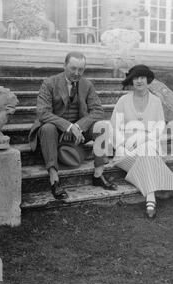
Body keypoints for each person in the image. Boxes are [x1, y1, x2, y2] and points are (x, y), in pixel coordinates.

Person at [110, 64, 173, 219]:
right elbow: (114, 127)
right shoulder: (123, 101)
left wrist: (145, 138)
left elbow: (160, 126)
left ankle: (150, 197)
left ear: (148, 80)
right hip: (126, 149)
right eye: (135, 78)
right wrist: (126, 142)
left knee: (147, 151)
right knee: (147, 155)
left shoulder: (155, 101)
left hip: (149, 142)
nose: (139, 81)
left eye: (142, 77)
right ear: (131, 81)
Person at [29, 51, 117, 200]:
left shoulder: (87, 85)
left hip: (78, 131)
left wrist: (78, 127)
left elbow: (98, 111)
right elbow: (43, 113)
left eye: (81, 69)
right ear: (64, 66)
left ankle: (98, 175)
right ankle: (54, 180)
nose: (77, 73)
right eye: (73, 68)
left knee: (101, 125)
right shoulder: (49, 83)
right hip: (53, 132)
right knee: (48, 127)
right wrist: (69, 127)